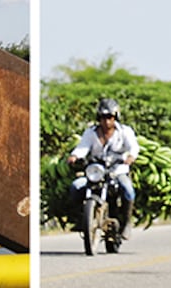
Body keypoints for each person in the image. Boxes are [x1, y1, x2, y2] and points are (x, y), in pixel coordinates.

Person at [68, 98, 141, 239]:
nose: (106, 121)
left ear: (115, 118)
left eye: (110, 117)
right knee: (76, 187)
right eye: (103, 117)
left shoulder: (125, 131)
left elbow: (133, 147)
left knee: (128, 190)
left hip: (117, 170)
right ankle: (80, 218)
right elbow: (82, 147)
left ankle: (126, 223)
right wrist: (75, 156)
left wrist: (131, 157)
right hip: (96, 171)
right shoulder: (91, 133)